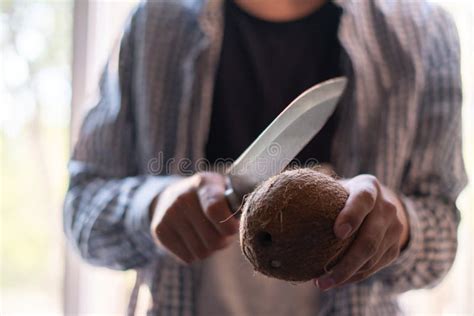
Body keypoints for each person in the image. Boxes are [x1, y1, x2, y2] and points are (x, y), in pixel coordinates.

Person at [64, 0, 467, 315]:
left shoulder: (422, 32)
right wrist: (148, 205)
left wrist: (399, 226)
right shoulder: (155, 23)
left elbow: (443, 235)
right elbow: (81, 209)